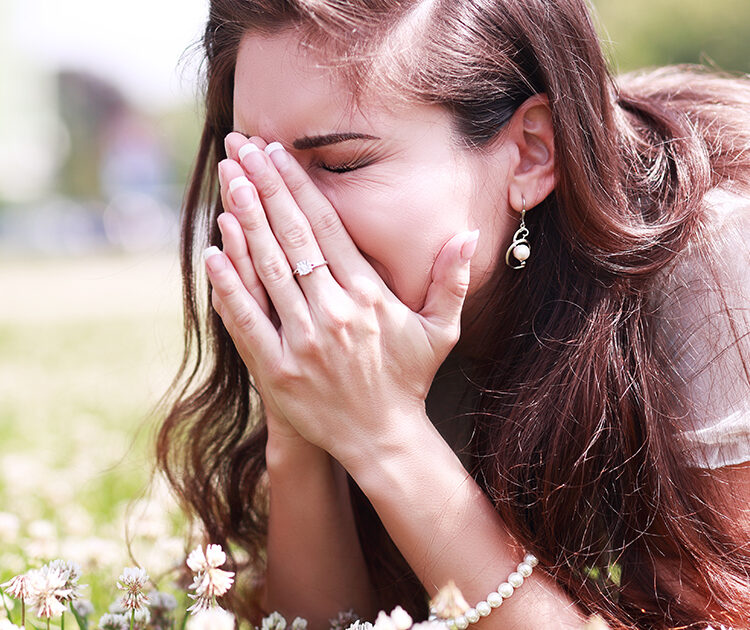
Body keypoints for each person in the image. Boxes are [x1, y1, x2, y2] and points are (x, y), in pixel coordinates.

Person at [156, 0, 750, 628]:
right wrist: (299, 421)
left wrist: (385, 437)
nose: (281, 216)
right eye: (252, 166)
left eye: (339, 163)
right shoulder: (374, 320)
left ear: (530, 153)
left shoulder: (713, 256)